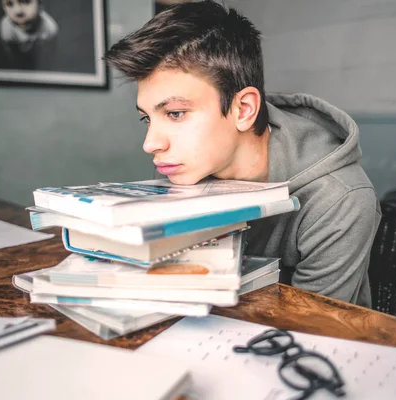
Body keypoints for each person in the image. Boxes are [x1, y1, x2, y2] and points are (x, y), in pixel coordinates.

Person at [104, 1, 381, 307]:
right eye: (147, 118)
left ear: (243, 109)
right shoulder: (187, 168)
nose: (151, 143)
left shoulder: (339, 199)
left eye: (176, 113)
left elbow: (314, 335)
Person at [0, 0, 58, 68]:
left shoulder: (48, 28)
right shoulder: (7, 28)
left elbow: (50, 60)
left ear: (40, 4)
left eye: (26, 2)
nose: (18, 11)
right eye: (9, 4)